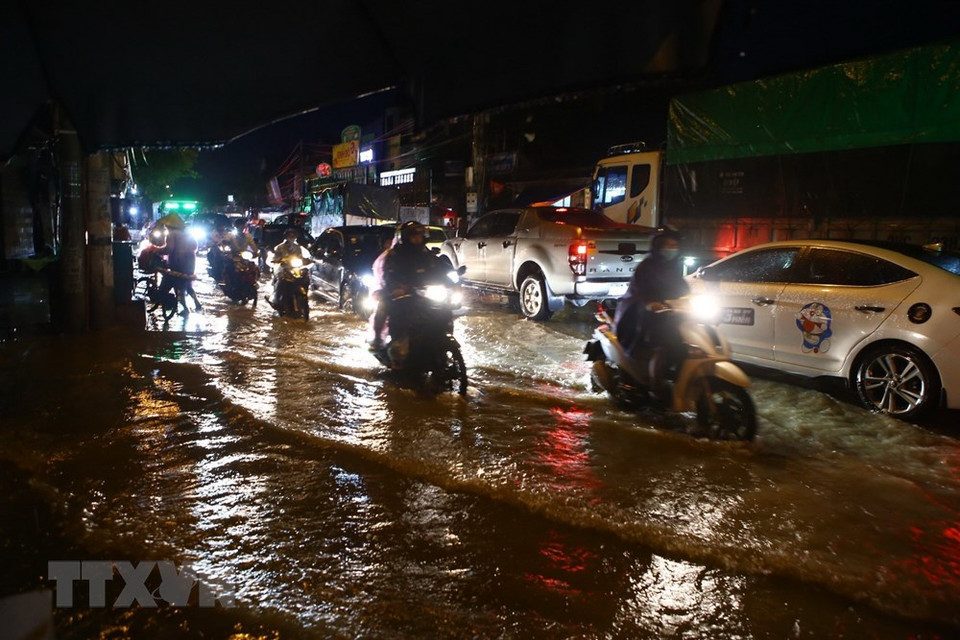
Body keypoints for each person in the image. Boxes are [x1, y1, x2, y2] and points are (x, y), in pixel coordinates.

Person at [613, 230, 689, 387]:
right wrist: (649, 303)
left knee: (684, 343)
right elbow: (639, 291)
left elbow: (681, 288)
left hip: (664, 312)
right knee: (663, 344)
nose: (672, 249)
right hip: (637, 314)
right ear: (659, 247)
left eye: (675, 245)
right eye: (669, 245)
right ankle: (654, 385)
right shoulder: (646, 267)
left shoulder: (673, 267)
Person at [373, 221, 447, 349]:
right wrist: (397, 287)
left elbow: (440, 271)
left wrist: (452, 282)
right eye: (414, 236)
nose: (418, 239)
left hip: (422, 293)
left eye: (420, 235)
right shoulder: (394, 255)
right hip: (403, 292)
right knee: (385, 303)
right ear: (405, 238)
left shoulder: (427, 254)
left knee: (445, 308)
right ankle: (379, 339)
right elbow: (389, 274)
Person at [156, 213, 201, 314]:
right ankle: (197, 303)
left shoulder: (171, 234)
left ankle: (185, 308)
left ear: (168, 225)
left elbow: (169, 249)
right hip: (190, 261)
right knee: (187, 283)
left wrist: (156, 250)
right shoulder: (188, 233)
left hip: (178, 262)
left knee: (178, 284)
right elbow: (195, 247)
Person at [266, 227, 310, 308]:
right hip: (283, 268)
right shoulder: (280, 247)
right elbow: (275, 258)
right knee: (281, 281)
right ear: (286, 237)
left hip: (295, 268)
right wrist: (278, 260)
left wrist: (307, 261)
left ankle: (304, 297)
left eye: (293, 236)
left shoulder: (298, 247)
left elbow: (301, 257)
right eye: (290, 236)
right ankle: (276, 300)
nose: (292, 237)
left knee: (305, 276)